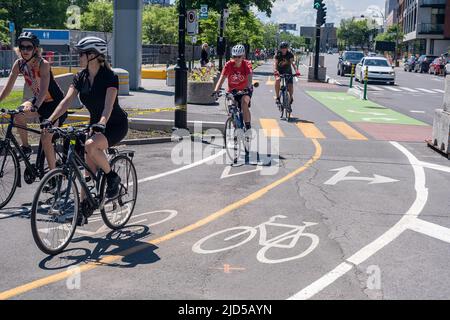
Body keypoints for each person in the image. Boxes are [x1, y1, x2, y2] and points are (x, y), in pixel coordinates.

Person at [43, 37, 128, 221]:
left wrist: (102, 123)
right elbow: (66, 101)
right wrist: (50, 120)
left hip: (114, 124)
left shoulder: (110, 77)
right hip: (96, 125)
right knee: (86, 167)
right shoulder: (80, 77)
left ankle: (112, 177)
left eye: (81, 53)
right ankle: (83, 208)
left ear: (93, 55)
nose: (78, 56)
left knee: (90, 146)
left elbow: (108, 106)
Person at [0, 31, 67, 172]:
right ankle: (26, 147)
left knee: (45, 137)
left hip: (55, 104)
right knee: (18, 114)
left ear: (35, 49)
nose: (25, 50)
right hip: (39, 100)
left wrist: (35, 106)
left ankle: (54, 175)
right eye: (22, 47)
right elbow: (8, 88)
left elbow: (43, 91)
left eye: (28, 47)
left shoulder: (43, 64)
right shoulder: (18, 64)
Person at [213, 44, 253, 130]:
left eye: (239, 56)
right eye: (235, 56)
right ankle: (235, 126)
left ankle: (248, 127)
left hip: (245, 89)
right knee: (232, 106)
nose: (237, 59)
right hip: (233, 90)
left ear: (243, 56)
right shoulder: (228, 65)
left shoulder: (247, 64)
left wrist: (248, 87)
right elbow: (222, 78)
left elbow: (250, 77)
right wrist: (216, 90)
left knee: (244, 103)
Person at [274, 42, 300, 112]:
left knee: (290, 85)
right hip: (279, 71)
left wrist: (296, 71)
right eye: (282, 48)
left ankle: (290, 97)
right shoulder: (278, 54)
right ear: (280, 48)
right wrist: (276, 70)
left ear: (287, 48)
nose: (283, 50)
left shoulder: (290, 54)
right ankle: (277, 97)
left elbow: (293, 63)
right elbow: (275, 63)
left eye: (285, 48)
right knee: (277, 80)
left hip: (288, 71)